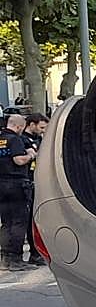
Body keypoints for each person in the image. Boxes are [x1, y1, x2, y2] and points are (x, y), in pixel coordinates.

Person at [0, 113, 37, 271]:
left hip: (1, 184)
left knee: (6, 222)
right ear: (19, 126)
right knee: (18, 222)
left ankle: (5, 259)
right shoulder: (15, 139)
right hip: (16, 184)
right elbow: (18, 160)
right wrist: (30, 155)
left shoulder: (1, 138)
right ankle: (16, 259)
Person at [20, 113, 48, 266]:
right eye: (41, 127)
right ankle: (34, 253)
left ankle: (37, 252)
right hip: (27, 182)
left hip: (38, 181)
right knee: (30, 218)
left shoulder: (39, 139)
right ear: (32, 124)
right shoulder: (22, 140)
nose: (43, 131)